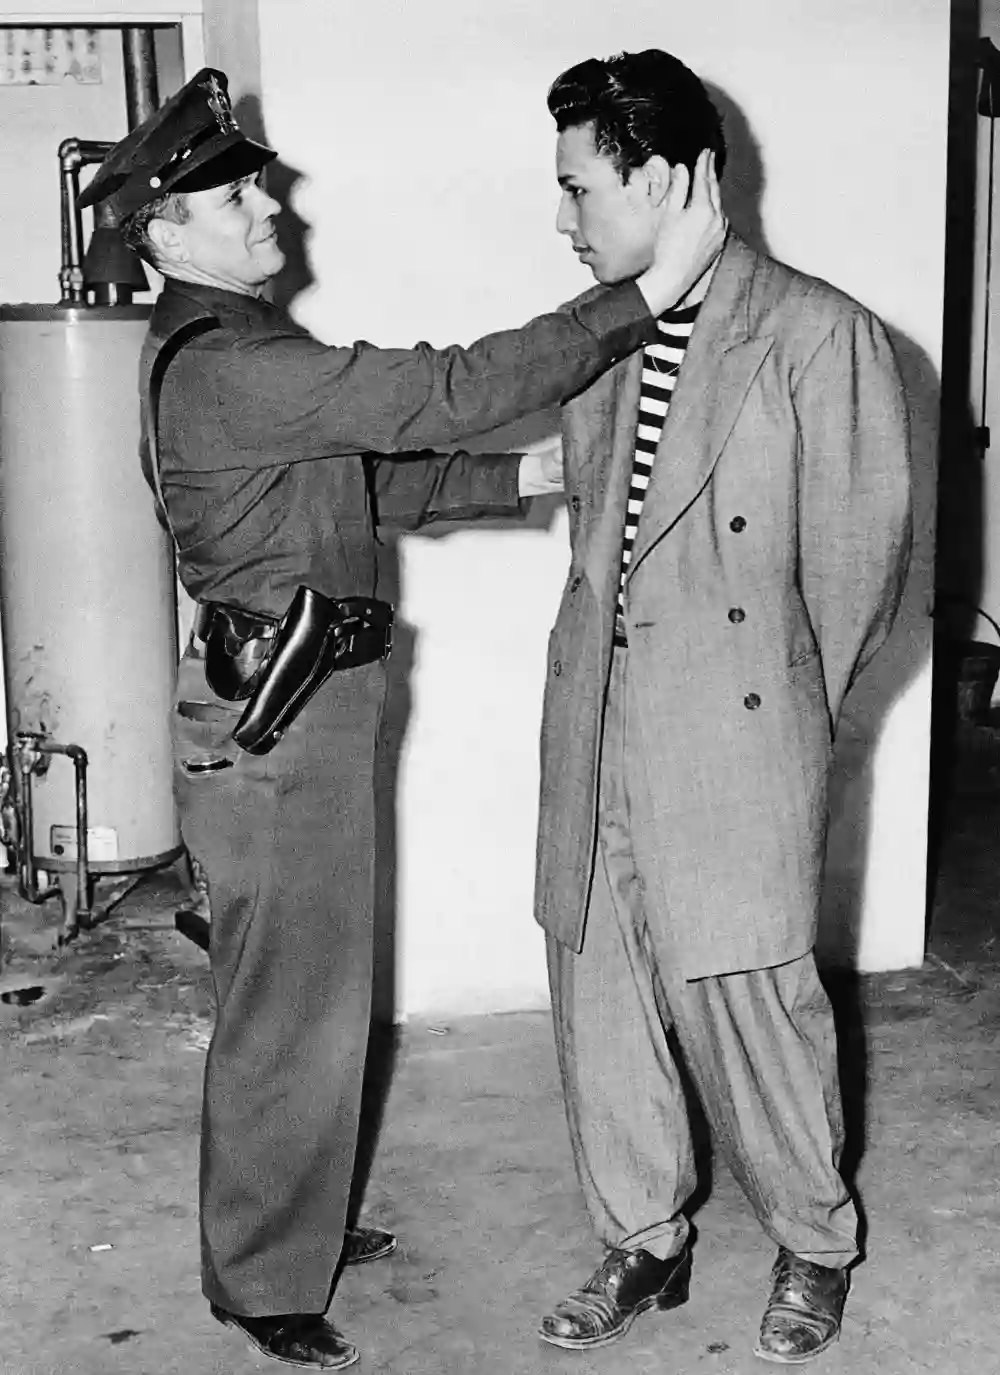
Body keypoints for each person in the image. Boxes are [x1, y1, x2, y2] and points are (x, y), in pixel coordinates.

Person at [77, 67, 724, 1371]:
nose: (268, 206)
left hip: (303, 709)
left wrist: (521, 475)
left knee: (319, 995)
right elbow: (444, 387)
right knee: (290, 1009)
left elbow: (361, 487)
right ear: (166, 234)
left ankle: (291, 1222)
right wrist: (639, 298)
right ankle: (264, 1281)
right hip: (280, 732)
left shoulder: (241, 361)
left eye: (252, 181)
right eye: (235, 193)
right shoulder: (235, 366)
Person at [532, 49, 911, 1365]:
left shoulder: (820, 335)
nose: (566, 220)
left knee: (752, 1001)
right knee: (598, 988)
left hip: (733, 724)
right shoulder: (597, 338)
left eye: (583, 189)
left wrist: (773, 732)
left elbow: (854, 579)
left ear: (669, 177)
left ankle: (814, 1239)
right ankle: (645, 1236)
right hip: (594, 711)